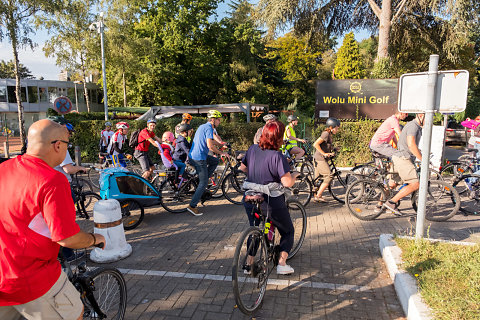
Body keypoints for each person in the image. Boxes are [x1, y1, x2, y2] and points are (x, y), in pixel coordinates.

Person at [0, 119, 106, 320]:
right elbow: (66, 238)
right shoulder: (52, 180)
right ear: (58, 145)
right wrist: (95, 239)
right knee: (75, 312)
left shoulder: (4, 168)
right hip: (31, 278)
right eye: (67, 144)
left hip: (3, 276)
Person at [240, 120, 300, 275]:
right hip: (270, 201)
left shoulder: (252, 149)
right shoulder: (277, 156)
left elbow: (243, 167)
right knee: (288, 231)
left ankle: (248, 264)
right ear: (279, 137)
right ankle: (282, 263)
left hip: (250, 197)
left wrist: (257, 175)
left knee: (255, 231)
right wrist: (294, 175)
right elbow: (286, 182)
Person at [381, 113, 425, 216]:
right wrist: (423, 158)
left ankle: (379, 205)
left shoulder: (414, 126)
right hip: (403, 158)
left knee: (392, 184)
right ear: (421, 115)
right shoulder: (413, 126)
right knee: (415, 184)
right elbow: (411, 144)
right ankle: (391, 203)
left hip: (399, 157)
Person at [187, 110, 228, 216]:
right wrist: (222, 152)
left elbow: (210, 141)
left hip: (197, 156)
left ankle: (202, 179)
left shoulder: (203, 126)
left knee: (215, 161)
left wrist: (220, 144)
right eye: (219, 120)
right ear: (213, 120)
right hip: (198, 158)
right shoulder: (209, 128)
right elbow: (210, 146)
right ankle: (192, 206)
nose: (220, 122)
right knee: (204, 183)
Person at [312, 117, 341, 202]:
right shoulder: (326, 134)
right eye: (337, 128)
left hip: (318, 158)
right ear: (331, 127)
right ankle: (318, 195)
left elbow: (325, 145)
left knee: (317, 179)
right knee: (329, 175)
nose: (337, 130)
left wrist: (333, 149)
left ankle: (315, 196)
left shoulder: (329, 134)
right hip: (320, 159)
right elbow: (315, 144)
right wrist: (324, 153)